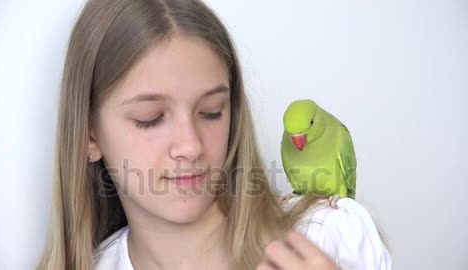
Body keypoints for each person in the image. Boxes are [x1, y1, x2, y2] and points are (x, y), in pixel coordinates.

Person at [37, 0, 392, 269]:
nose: (191, 145)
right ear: (89, 136)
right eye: (151, 118)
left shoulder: (332, 235)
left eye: (211, 112)